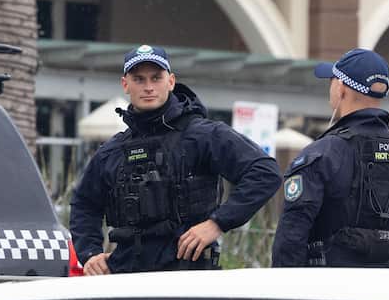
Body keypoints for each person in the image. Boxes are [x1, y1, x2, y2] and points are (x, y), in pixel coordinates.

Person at [70, 44, 281, 274]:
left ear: (170, 81)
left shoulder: (202, 135)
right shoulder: (111, 152)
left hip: (188, 276)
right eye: (139, 79)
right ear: (125, 85)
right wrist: (90, 254)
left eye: (156, 78)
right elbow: (84, 204)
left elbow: (265, 173)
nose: (148, 87)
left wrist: (217, 223)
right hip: (127, 277)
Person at [272, 48, 389, 267]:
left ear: (341, 88)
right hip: (388, 295)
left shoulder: (321, 156)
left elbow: (291, 238)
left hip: (325, 293)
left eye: (332, 80)